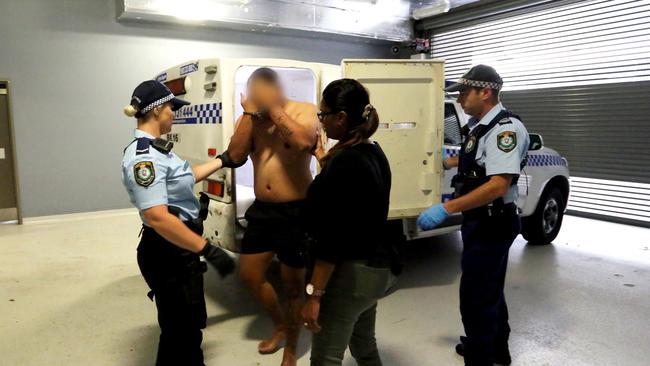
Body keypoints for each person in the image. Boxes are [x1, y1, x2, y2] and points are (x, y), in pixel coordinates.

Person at [417, 65, 529, 366]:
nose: (462, 98)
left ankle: (480, 358)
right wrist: (444, 158)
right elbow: (476, 164)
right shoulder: (480, 127)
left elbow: (497, 185)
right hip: (481, 222)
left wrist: (446, 208)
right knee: (489, 290)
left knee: (475, 297)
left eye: (465, 92)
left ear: (486, 92)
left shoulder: (504, 129)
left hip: (493, 222)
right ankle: (496, 350)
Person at [121, 80, 235, 366]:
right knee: (179, 332)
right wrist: (207, 249)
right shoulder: (143, 158)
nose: (175, 113)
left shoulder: (159, 150)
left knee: (187, 328)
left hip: (177, 249)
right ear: (158, 110)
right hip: (166, 251)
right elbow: (157, 217)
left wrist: (222, 161)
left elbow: (184, 176)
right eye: (172, 107)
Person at [217, 67, 319, 366]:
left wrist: (273, 108)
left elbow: (302, 143)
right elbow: (235, 156)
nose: (256, 99)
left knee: (291, 284)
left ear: (275, 89)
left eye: (261, 93)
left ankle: (291, 347)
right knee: (250, 275)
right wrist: (249, 115)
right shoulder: (250, 119)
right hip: (263, 211)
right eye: (253, 94)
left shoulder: (305, 111)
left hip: (296, 211)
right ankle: (280, 326)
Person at [300, 78, 398, 366]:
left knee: (325, 358)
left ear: (341, 118)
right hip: (375, 270)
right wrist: (323, 158)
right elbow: (352, 198)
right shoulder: (373, 152)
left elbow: (331, 238)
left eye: (323, 115)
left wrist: (315, 295)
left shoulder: (345, 163)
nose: (321, 122)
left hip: (350, 275)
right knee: (364, 346)